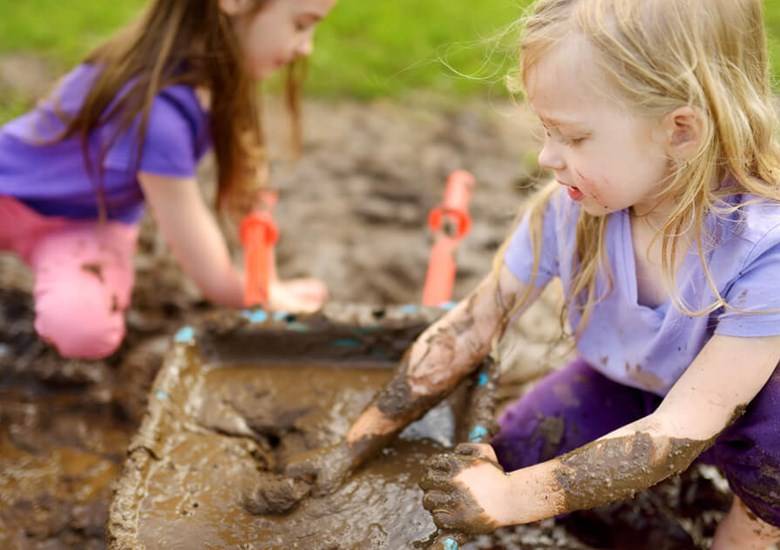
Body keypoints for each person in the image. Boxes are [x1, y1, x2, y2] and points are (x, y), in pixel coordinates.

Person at [283, 1, 780, 547]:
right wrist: (353, 446)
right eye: (546, 131)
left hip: (746, 413)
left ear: (680, 131)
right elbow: (470, 326)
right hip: (638, 382)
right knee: (521, 447)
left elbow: (681, 428)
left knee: (770, 473)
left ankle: (749, 528)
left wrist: (511, 498)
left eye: (574, 137)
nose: (546, 157)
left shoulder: (765, 250)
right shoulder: (570, 210)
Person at [0, 0, 334, 360]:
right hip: (7, 195)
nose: (306, 46)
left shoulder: (216, 81)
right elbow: (204, 262)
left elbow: (249, 200)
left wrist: (268, 286)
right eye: (301, 25)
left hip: (85, 224)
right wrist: (262, 299)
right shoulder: (152, 108)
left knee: (84, 331)